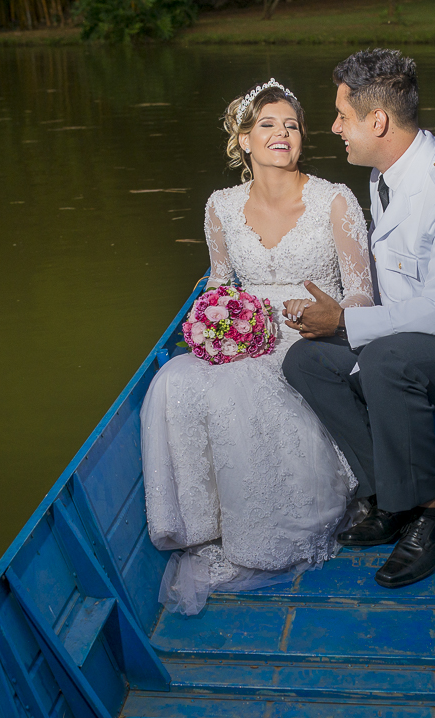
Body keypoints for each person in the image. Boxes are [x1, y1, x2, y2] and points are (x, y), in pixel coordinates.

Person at [282, 49, 435, 590]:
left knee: (388, 360)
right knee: (306, 361)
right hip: (414, 340)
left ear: (378, 121)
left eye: (342, 117)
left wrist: (345, 325)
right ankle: (386, 499)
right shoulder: (385, 173)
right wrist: (343, 326)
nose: (334, 128)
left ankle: (431, 517)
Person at [140, 79, 375, 616]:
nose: (282, 133)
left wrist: (334, 318)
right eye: (268, 124)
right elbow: (220, 285)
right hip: (242, 331)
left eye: (291, 125)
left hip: (315, 330)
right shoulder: (220, 206)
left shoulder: (335, 199)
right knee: (174, 380)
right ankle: (203, 523)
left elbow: (362, 290)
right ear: (244, 139)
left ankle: (265, 532)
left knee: (243, 391)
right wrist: (214, 325)